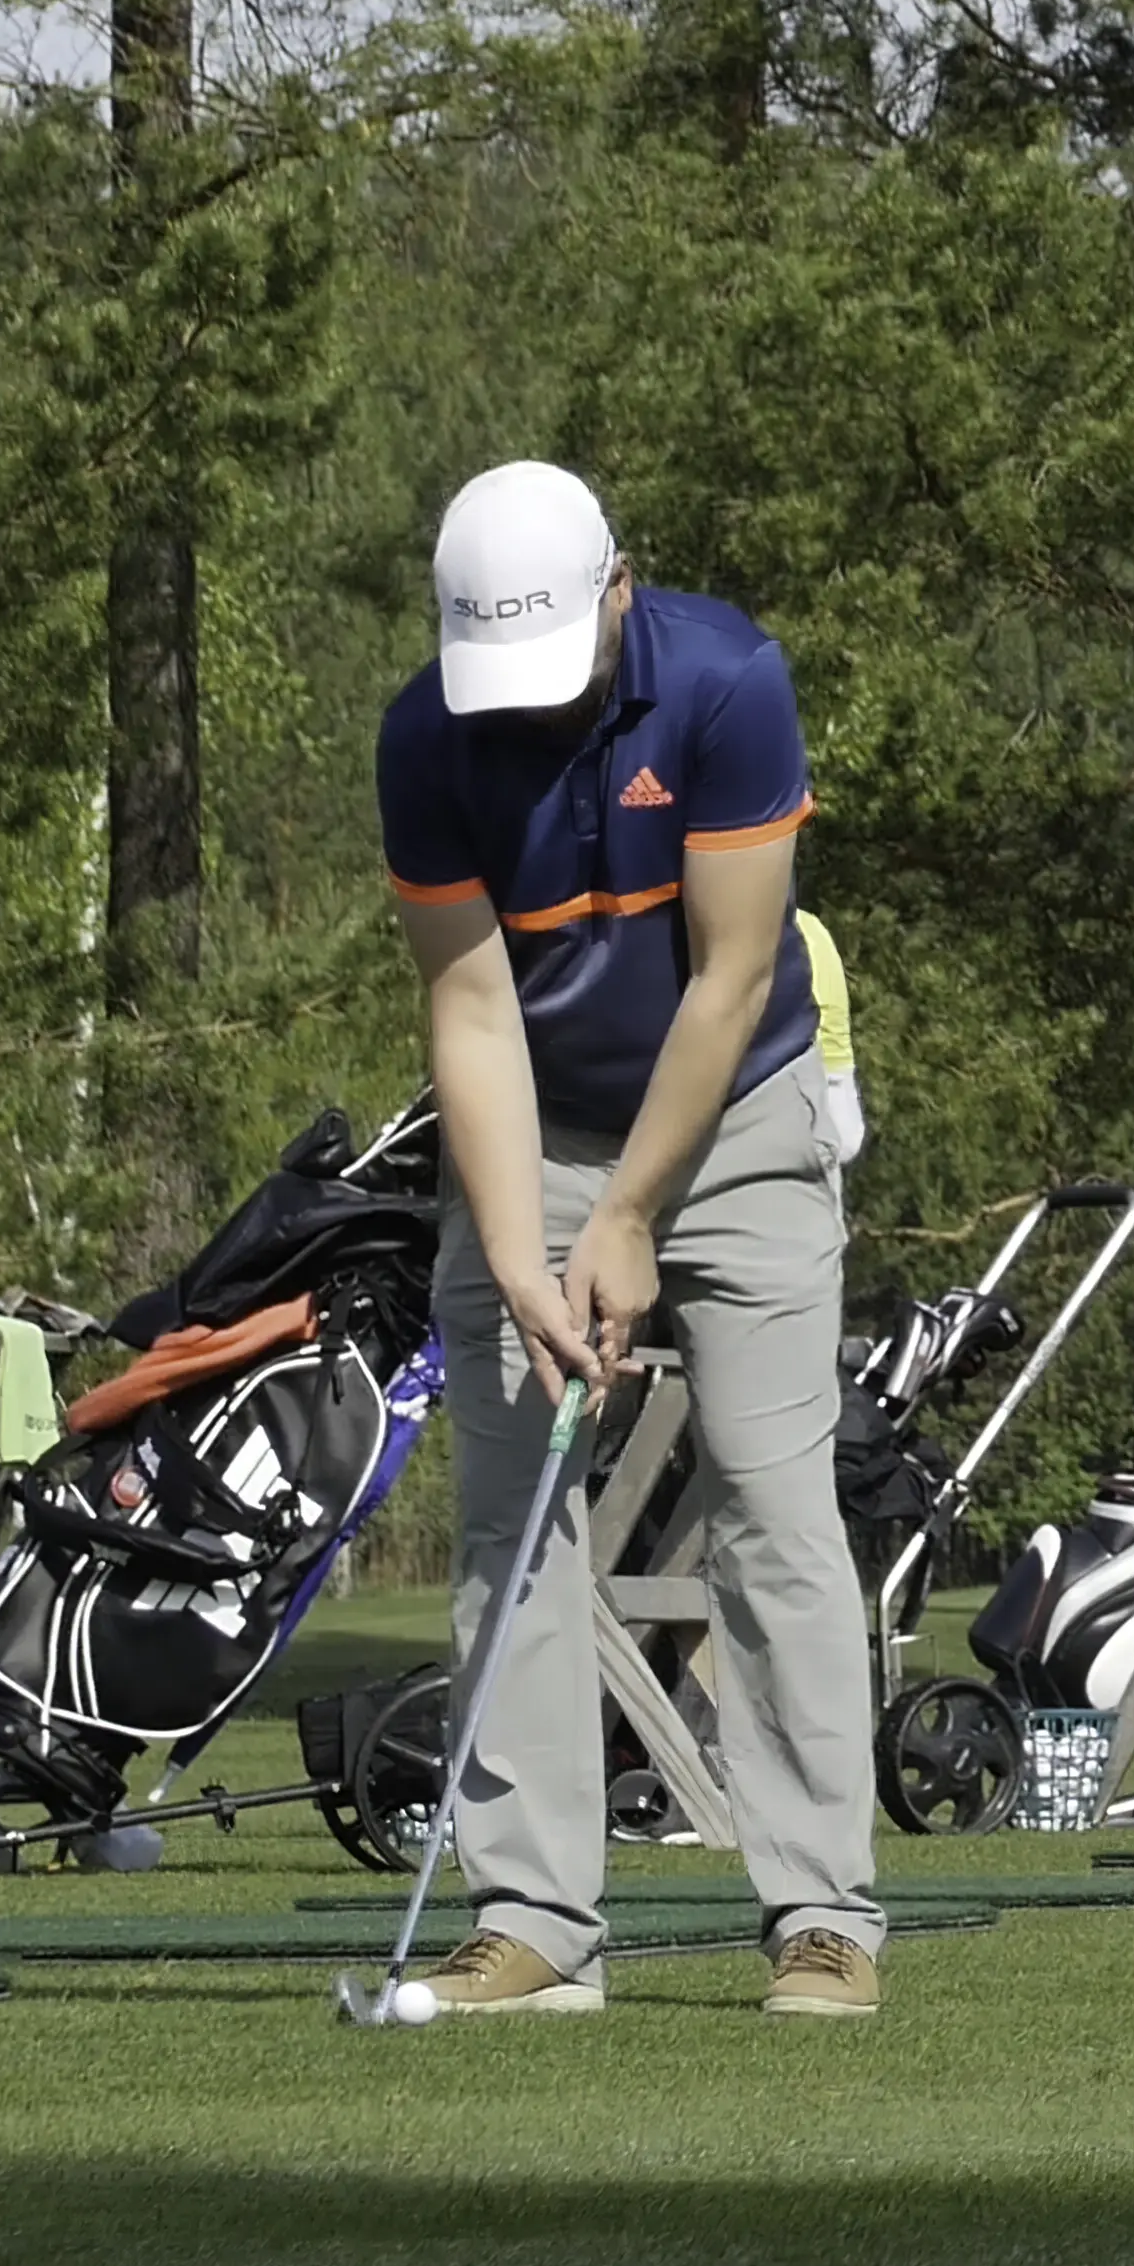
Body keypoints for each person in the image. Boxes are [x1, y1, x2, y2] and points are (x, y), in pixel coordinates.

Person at [370, 462, 880, 2018]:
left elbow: (730, 980)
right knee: (510, 1525)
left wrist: (639, 1213)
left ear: (619, 590)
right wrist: (524, 1249)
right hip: (534, 1131)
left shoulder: (726, 682)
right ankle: (533, 1927)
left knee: (775, 1508)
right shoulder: (426, 735)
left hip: (738, 1124)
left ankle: (823, 1918)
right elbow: (469, 1006)